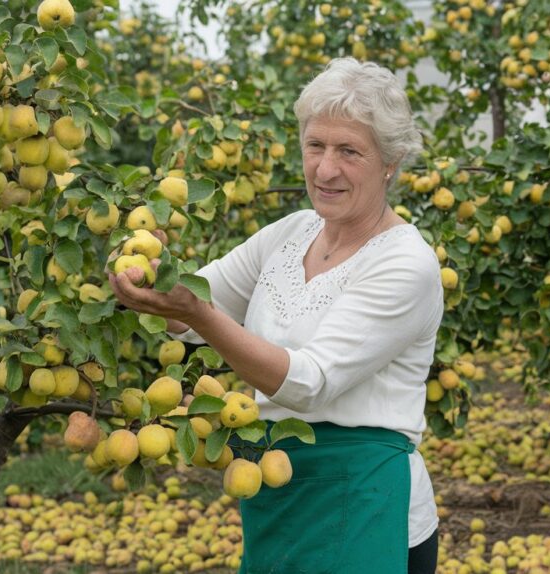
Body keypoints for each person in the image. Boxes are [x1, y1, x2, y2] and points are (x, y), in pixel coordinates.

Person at [109, 57, 443, 574]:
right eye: (316, 146)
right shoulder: (291, 233)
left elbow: (308, 382)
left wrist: (195, 313)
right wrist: (150, 279)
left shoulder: (405, 263)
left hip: (365, 498)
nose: (325, 169)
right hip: (276, 480)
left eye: (349, 151)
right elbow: (197, 302)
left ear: (391, 161)